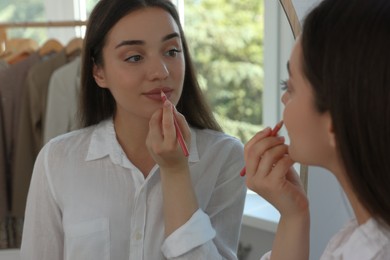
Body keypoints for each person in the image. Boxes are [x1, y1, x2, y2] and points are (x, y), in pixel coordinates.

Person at [20, 0, 246, 259]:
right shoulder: (57, 161)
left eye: (172, 51)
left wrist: (175, 172)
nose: (160, 72)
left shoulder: (225, 157)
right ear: (99, 72)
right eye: (134, 57)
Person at [243, 0, 390, 259]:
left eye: (289, 87)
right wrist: (293, 214)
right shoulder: (361, 237)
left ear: (335, 116)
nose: (283, 101)